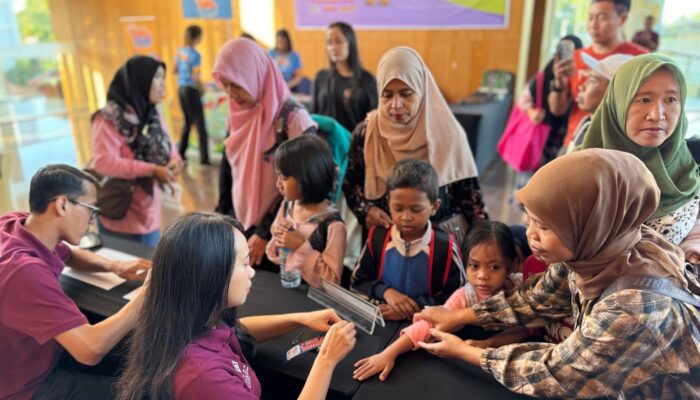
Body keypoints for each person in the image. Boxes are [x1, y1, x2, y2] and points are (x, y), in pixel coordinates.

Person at [414, 149, 700, 398]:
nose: (530, 236)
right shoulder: (595, 248)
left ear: (593, 222)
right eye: (529, 220)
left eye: (545, 227)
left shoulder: (634, 308)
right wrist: (457, 315)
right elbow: (538, 299)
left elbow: (558, 373)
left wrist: (466, 352)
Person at [116, 212, 356, 400]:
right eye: (244, 264)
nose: (252, 272)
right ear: (212, 275)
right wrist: (326, 360)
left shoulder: (193, 321)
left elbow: (237, 331)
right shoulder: (204, 377)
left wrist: (299, 319)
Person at [0, 164, 151, 400]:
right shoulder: (24, 272)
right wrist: (148, 293)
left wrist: (114, 266)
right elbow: (90, 350)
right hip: (26, 385)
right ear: (62, 205)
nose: (92, 222)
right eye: (91, 210)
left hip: (32, 354)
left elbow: (67, 252)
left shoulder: (15, 224)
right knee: (140, 393)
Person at [353, 220, 529, 382]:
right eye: (474, 266)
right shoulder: (465, 297)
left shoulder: (523, 286)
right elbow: (426, 326)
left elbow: (528, 331)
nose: (482, 276)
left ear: (512, 265)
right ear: (465, 263)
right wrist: (389, 353)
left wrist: (487, 344)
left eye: (494, 267)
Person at [343, 46, 487, 240]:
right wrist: (366, 211)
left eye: (405, 93)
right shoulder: (367, 133)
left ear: (422, 90)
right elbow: (351, 184)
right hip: (385, 243)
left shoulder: (447, 134)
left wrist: (487, 247)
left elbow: (472, 203)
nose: (395, 104)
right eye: (387, 95)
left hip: (441, 245)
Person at [212, 38, 317, 270]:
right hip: (241, 223)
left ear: (256, 75)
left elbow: (306, 182)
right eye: (226, 85)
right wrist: (222, 216)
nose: (232, 94)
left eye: (238, 85)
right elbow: (229, 167)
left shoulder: (293, 118)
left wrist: (265, 230)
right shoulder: (237, 111)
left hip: (281, 231)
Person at [581, 54, 700, 246]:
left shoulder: (693, 162)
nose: (657, 115)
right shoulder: (579, 171)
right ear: (619, 101)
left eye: (671, 99)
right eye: (644, 100)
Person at [351, 159, 465, 321]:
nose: (406, 217)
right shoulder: (377, 238)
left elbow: (459, 299)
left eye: (416, 209)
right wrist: (386, 291)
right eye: (398, 208)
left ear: (434, 207)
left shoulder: (445, 248)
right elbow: (357, 284)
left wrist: (413, 308)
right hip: (381, 324)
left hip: (424, 330)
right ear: (388, 203)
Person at [92, 55, 182, 246]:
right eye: (156, 77)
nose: (162, 84)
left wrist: (174, 162)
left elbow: (170, 147)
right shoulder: (108, 118)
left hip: (149, 212)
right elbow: (104, 162)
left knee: (148, 266)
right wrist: (151, 169)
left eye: (163, 78)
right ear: (139, 81)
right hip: (120, 214)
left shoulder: (152, 115)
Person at [548, 0, 647, 147]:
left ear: (622, 18)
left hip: (615, 145)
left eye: (602, 17)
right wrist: (559, 82)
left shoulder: (640, 59)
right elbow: (557, 109)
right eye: (590, 17)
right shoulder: (577, 57)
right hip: (576, 139)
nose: (593, 25)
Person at [266, 135, 347, 286]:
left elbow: (332, 281)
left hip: (313, 299)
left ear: (308, 178)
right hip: (287, 286)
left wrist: (300, 246)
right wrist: (278, 242)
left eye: (283, 178)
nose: (278, 184)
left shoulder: (332, 225)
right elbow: (275, 252)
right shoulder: (287, 205)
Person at [517, 35, 582, 167]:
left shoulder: (581, 75)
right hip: (544, 134)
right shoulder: (545, 75)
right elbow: (524, 98)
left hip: (568, 134)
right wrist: (532, 112)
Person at [311, 21, 377, 132]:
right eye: (329, 43)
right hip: (324, 145)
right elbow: (313, 116)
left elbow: (372, 122)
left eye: (338, 41)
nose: (333, 47)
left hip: (354, 145)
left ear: (350, 43)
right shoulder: (321, 77)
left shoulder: (367, 80)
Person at [564, 52, 633, 151]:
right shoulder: (587, 122)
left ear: (613, 92)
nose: (582, 86)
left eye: (592, 81)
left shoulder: (608, 141)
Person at [175, 25, 210, 165]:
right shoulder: (195, 55)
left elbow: (174, 69)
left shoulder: (180, 52)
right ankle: (204, 158)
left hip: (181, 89)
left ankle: (181, 153)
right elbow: (196, 76)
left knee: (188, 122)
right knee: (200, 124)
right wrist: (202, 88)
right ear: (198, 37)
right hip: (191, 90)